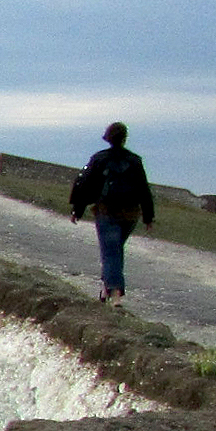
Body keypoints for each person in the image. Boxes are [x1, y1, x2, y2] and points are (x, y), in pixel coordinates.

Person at [68, 122, 156, 304]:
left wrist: (78, 210)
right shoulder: (135, 160)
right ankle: (105, 289)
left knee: (110, 252)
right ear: (125, 138)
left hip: (106, 211)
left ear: (108, 137)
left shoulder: (99, 159)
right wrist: (148, 217)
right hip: (130, 215)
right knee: (114, 251)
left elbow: (85, 186)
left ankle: (115, 294)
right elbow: (143, 190)